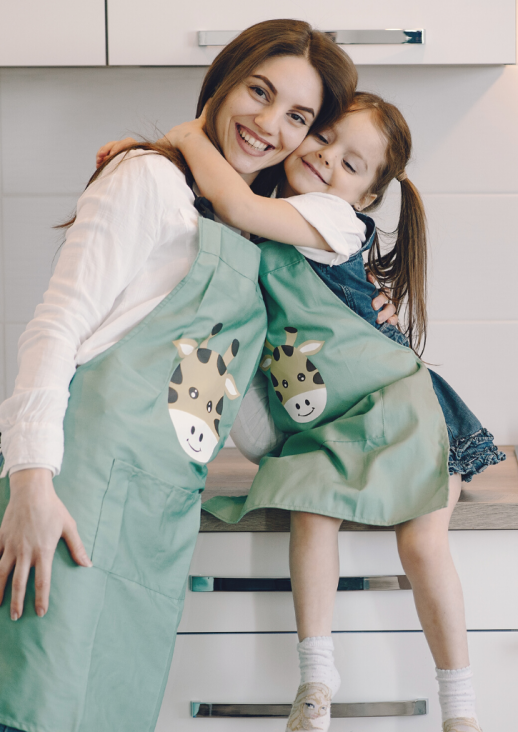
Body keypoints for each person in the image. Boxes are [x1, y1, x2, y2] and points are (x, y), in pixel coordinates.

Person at [0, 20, 403, 732]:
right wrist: (31, 479)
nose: (269, 123)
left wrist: (364, 362)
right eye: (259, 90)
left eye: (298, 116)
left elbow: (243, 417)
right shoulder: (147, 178)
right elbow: (55, 325)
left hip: (156, 522)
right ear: (224, 79)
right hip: (73, 500)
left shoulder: (254, 242)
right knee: (37, 708)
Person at [137, 93, 503, 732]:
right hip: (331, 431)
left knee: (423, 544)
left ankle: (461, 708)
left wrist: (186, 137)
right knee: (312, 513)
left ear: (364, 200)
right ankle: (316, 678)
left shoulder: (331, 219)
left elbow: (238, 202)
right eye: (324, 138)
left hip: (404, 412)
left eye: (352, 162)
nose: (328, 159)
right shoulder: (263, 228)